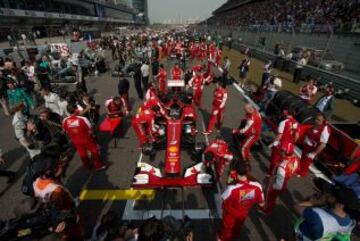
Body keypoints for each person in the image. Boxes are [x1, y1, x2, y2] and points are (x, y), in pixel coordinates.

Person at [32, 158, 84, 240]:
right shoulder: (56, 190)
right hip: (66, 213)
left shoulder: (36, 182)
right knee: (75, 232)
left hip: (50, 212)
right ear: (47, 173)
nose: (58, 167)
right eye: (54, 167)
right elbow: (60, 206)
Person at [219, 162, 265, 241]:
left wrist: (230, 178)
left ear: (236, 172)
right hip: (243, 213)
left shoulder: (232, 189)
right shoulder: (257, 186)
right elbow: (261, 204)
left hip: (230, 214)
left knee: (227, 230)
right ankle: (235, 235)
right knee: (237, 227)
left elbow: (223, 198)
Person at [62, 103, 107, 171]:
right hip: (87, 139)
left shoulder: (65, 120)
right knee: (94, 151)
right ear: (76, 110)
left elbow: (66, 131)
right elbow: (90, 130)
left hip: (75, 141)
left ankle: (87, 166)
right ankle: (98, 166)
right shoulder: (83, 119)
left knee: (82, 153)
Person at [263, 144, 299, 214]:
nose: (280, 152)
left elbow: (278, 185)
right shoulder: (295, 158)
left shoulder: (282, 166)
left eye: (281, 151)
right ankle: (269, 208)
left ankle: (266, 210)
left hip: (277, 183)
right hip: (285, 180)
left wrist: (271, 187)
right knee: (273, 198)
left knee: (269, 198)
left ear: (285, 153)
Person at [268, 110, 299, 175]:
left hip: (282, 145)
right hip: (290, 146)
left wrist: (273, 143)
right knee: (285, 161)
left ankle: (271, 173)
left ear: (286, 114)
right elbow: (296, 135)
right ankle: (281, 173)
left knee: (275, 160)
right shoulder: (296, 123)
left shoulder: (283, 122)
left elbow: (280, 135)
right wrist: (292, 142)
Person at [232, 103, 262, 170]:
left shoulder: (251, 119)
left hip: (252, 135)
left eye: (245, 110)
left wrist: (236, 131)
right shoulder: (256, 113)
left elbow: (245, 130)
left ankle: (246, 164)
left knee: (243, 148)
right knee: (245, 146)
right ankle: (245, 159)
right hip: (255, 133)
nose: (245, 111)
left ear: (250, 109)